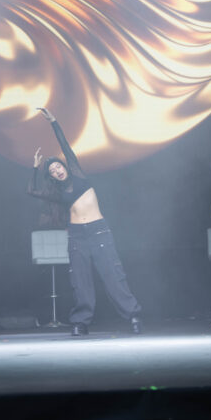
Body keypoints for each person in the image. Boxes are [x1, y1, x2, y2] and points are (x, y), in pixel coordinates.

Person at [27, 107, 143, 336]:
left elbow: (66, 147)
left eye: (58, 166)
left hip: (98, 231)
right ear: (51, 177)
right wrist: (34, 168)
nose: (57, 171)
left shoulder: (78, 174)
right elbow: (31, 191)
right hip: (77, 235)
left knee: (113, 275)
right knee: (80, 281)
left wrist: (54, 122)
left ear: (64, 166)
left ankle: (133, 315)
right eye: (52, 171)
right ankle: (81, 322)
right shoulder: (57, 194)